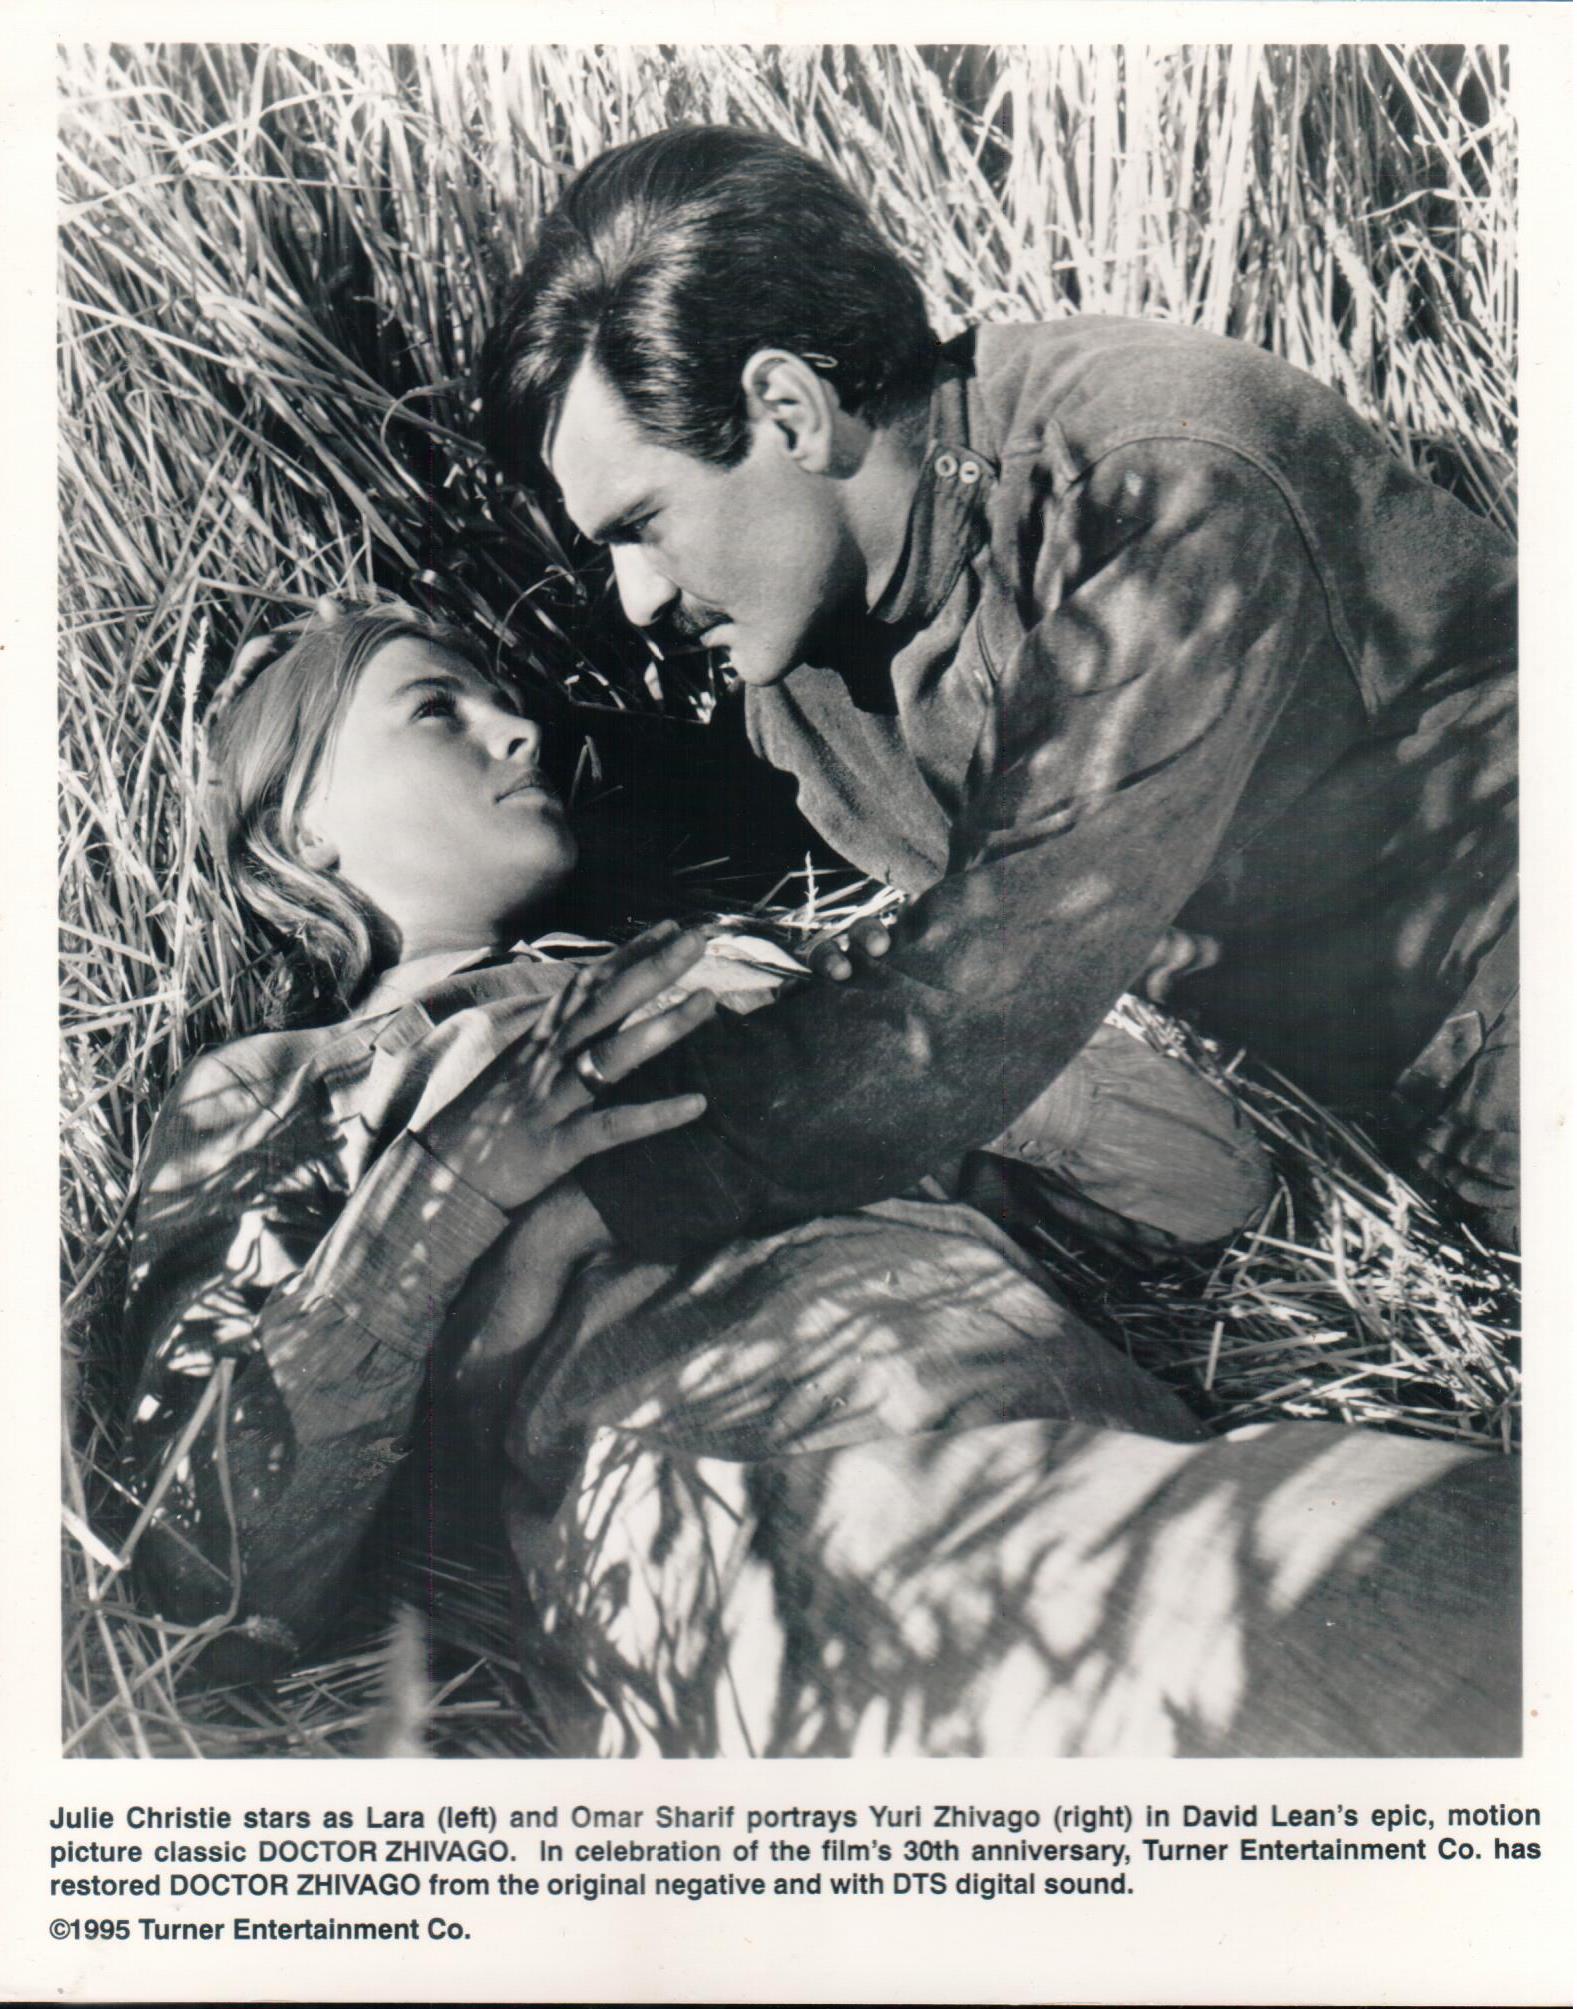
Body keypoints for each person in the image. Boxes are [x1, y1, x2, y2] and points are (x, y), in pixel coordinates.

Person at [116, 596, 1518, 1757]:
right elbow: (205, 1578)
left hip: (1111, 1457)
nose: (518, 727)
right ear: (300, 826)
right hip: (780, 1551)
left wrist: (888, 1047)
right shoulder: (280, 1084)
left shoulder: (744, 966)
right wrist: (453, 1188)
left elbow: (1215, 1188)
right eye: (437, 708)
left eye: (501, 697)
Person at [477, 123, 1519, 1279]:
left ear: (787, 409)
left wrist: (594, 1210)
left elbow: (988, 986)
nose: (634, 598)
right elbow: (725, 827)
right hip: (1398, 1101)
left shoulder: (1160, 483)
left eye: (642, 524)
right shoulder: (810, 634)